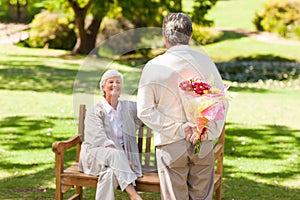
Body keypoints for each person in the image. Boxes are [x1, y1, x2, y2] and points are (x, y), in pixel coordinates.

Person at [137, 13, 228, 200]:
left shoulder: (153, 66)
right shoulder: (206, 63)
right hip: (203, 143)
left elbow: (145, 111)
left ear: (164, 36)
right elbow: (222, 103)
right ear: (191, 35)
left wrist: (181, 129)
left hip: (170, 145)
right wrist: (206, 131)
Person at [78, 69, 143, 200]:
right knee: (114, 154)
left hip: (116, 162)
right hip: (95, 155)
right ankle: (134, 195)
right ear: (103, 87)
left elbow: (146, 109)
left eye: (118, 82)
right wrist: (123, 159)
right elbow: (99, 139)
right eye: (111, 82)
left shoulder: (128, 108)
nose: (115, 85)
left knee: (110, 173)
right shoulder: (94, 111)